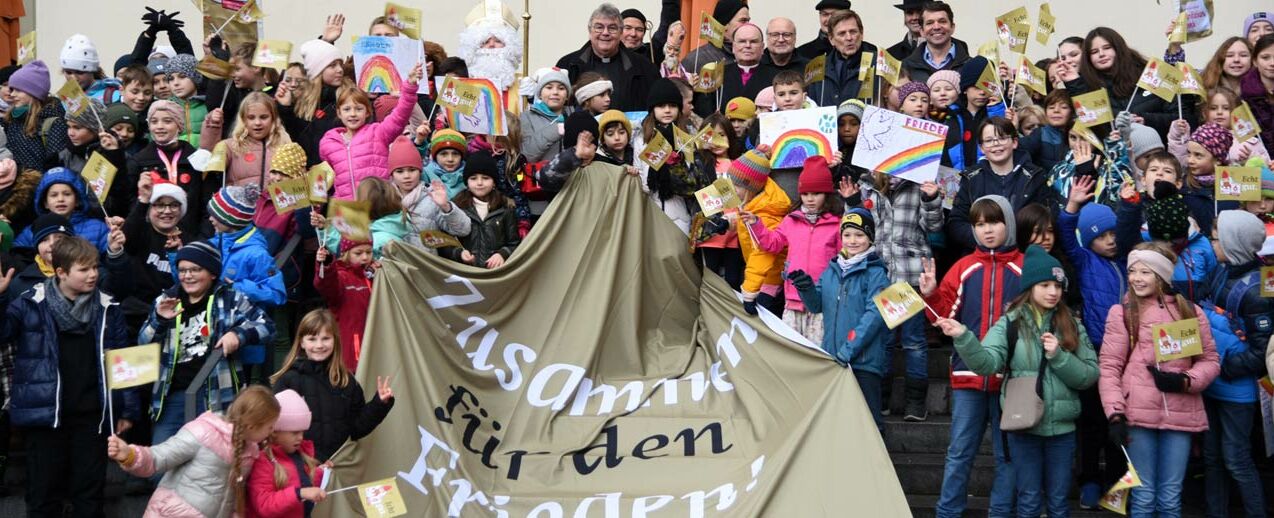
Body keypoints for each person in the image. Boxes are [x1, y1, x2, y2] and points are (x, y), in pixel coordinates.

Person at [936, 245, 1098, 518]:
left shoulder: (1072, 323)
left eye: (1058, 286)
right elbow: (987, 364)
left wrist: (1059, 356)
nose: (1053, 292)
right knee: (1028, 501)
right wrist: (964, 336)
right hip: (1024, 428)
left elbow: (1089, 375)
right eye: (1045, 284)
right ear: (1030, 286)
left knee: (1059, 503)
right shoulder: (1009, 323)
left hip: (1062, 430)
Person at [1, 236, 140, 517]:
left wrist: (127, 409)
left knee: (89, 494)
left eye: (95, 268)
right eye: (84, 269)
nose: (93, 275)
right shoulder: (30, 303)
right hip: (45, 416)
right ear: (61, 272)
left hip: (92, 416)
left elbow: (123, 356)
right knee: (43, 495)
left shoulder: (108, 307)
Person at [1100, 242, 1220, 517]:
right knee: (1143, 497)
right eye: (1133, 271)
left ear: (1162, 275)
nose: (1136, 278)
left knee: (1169, 497)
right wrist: (1115, 414)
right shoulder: (1123, 313)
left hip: (1180, 415)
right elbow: (1109, 367)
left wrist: (1185, 381)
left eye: (1146, 271)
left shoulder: (1190, 312)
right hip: (1137, 415)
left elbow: (1210, 361)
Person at [921, 195, 1023, 518]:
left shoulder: (1026, 266)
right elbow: (943, 317)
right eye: (979, 224)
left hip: (1013, 380)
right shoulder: (964, 267)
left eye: (994, 222)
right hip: (967, 376)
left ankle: (1001, 512)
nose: (987, 230)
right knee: (960, 452)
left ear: (1008, 222)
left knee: (1007, 455)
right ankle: (947, 512)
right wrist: (931, 294)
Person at [138, 241, 276, 444]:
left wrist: (238, 335)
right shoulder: (167, 299)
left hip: (218, 395)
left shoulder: (230, 298)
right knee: (161, 465)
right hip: (172, 394)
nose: (188, 276)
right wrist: (159, 319)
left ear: (212, 273)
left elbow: (267, 326)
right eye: (183, 270)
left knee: (212, 461)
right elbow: (143, 342)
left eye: (196, 269)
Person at [1058, 175, 1130, 507]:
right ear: (1090, 241)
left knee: (1119, 423)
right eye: (1102, 236)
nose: (1111, 241)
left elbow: (1132, 225)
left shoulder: (1127, 263)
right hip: (1095, 351)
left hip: (1124, 354)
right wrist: (1072, 206)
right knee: (1091, 423)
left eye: (1114, 233)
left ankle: (1117, 485)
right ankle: (1088, 480)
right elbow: (1066, 236)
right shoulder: (1086, 261)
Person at [109, 385, 281, 518]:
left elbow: (232, 497)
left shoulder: (249, 452)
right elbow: (159, 457)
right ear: (252, 425)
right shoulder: (202, 432)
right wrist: (130, 455)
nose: (272, 431)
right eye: (270, 426)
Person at [791, 209, 890, 431]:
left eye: (859, 235)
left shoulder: (877, 273)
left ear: (870, 238)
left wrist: (848, 350)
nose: (852, 241)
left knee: (869, 425)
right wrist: (804, 286)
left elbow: (874, 317)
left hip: (863, 363)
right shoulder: (832, 269)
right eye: (847, 235)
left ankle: (876, 466)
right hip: (835, 360)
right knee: (837, 424)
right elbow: (815, 305)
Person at [1203, 210, 1269, 518]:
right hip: (1213, 379)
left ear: (1233, 244)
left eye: (1216, 238)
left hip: (1235, 386)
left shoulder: (1258, 290)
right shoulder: (1221, 270)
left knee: (1236, 459)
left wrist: (1224, 367)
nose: (1211, 243)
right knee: (1213, 457)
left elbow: (1262, 352)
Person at [271, 309, 395, 462]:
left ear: (335, 340)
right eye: (312, 339)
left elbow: (357, 429)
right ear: (302, 342)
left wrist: (379, 403)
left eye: (325, 338)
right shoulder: (288, 381)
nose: (319, 345)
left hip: (339, 467)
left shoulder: (346, 380)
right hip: (302, 467)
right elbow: (276, 432)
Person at [748, 156, 843, 343]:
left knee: (818, 349)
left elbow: (843, 258)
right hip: (792, 297)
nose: (810, 199)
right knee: (793, 347)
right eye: (805, 193)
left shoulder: (836, 224)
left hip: (824, 300)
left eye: (816, 193)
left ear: (827, 193)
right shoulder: (791, 220)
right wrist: (756, 224)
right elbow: (772, 243)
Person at [317, 63, 421, 201]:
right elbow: (324, 181)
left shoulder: (378, 133)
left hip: (378, 209)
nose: (353, 114)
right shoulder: (328, 143)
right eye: (347, 109)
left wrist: (410, 87)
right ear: (339, 113)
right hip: (347, 214)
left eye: (358, 109)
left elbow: (400, 115)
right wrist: (318, 210)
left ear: (367, 112)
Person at [946, 118, 1051, 254]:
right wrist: (987, 239)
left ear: (1014, 142)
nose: (996, 144)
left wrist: (1015, 239)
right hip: (982, 258)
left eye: (1001, 138)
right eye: (989, 140)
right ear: (981, 148)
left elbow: (1047, 219)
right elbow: (956, 224)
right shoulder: (972, 179)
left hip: (1025, 255)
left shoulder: (1035, 176)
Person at [1066, 27, 1182, 138]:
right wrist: (1074, 82)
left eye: (1107, 47)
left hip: (1158, 152)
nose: (1101, 54)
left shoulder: (1150, 74)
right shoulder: (1088, 87)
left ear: (1118, 48)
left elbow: (1181, 117)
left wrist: (1146, 120)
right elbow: (1094, 128)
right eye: (1094, 51)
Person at [128, 99, 219, 237]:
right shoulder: (139, 162)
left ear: (179, 125)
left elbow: (208, 205)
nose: (159, 126)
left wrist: (202, 239)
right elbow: (130, 204)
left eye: (167, 121)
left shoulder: (197, 161)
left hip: (191, 237)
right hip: (151, 240)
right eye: (154, 121)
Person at [556, 3, 661, 112]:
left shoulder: (645, 68)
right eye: (599, 27)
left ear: (620, 32)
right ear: (590, 31)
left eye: (612, 28)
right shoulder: (568, 65)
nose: (605, 33)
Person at [246, 390, 327, 517]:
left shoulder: (301, 455)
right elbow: (264, 504)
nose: (300, 437)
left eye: (302, 432)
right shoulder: (263, 461)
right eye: (294, 433)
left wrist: (322, 474)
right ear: (274, 431)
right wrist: (299, 493)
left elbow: (304, 483)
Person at [207, 184, 288, 308]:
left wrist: (238, 287)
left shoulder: (257, 255)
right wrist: (177, 254)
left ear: (231, 220)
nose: (210, 219)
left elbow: (277, 295)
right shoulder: (215, 243)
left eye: (216, 216)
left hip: (241, 322)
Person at [440, 151, 522, 269]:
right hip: (465, 271)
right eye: (473, 178)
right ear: (467, 182)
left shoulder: (505, 207)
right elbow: (445, 242)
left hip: (494, 272)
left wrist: (502, 254)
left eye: (485, 178)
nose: (479, 183)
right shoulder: (457, 206)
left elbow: (514, 243)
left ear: (494, 182)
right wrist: (459, 253)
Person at [389, 136, 471, 252]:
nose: (406, 176)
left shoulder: (432, 197)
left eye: (412, 170)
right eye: (400, 171)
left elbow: (464, 230)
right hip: (395, 265)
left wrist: (446, 206)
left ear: (420, 171)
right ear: (392, 174)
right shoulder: (383, 199)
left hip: (426, 265)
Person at [277, 39, 348, 165]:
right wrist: (285, 108)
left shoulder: (348, 97)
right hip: (312, 174)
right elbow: (296, 137)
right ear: (318, 70)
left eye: (340, 64)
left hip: (342, 169)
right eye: (332, 65)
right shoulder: (303, 101)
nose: (340, 70)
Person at [204, 92, 294, 188]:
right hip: (238, 202)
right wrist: (213, 126)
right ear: (243, 120)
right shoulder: (229, 146)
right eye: (251, 117)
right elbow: (206, 161)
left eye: (264, 117)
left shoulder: (286, 147)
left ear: (273, 118)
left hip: (274, 202)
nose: (257, 122)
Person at [12, 168, 111, 253]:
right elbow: (18, 259)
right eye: (54, 195)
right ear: (45, 203)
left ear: (77, 200)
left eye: (67, 194)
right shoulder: (31, 232)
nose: (60, 199)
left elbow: (113, 265)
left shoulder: (98, 228)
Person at [692, 24, 775, 117]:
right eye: (742, 41)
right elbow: (704, 109)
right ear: (733, 47)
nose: (748, 45)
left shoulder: (775, 76)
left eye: (753, 41)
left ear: (762, 47)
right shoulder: (716, 74)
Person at [2, 61, 70, 172]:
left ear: (34, 93)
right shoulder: (12, 119)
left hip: (38, 185)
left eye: (18, 90)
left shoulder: (53, 123)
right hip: (15, 186)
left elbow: (55, 168)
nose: (12, 94)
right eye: (12, 89)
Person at [808, 10, 879, 107]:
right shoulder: (817, 68)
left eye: (853, 32)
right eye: (842, 33)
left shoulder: (879, 62)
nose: (849, 38)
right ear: (831, 39)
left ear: (861, 34)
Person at [457, 0, 525, 97]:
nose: (492, 45)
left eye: (498, 41)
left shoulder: (522, 84)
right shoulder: (460, 83)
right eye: (485, 42)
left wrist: (532, 98)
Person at [900, 1, 970, 84]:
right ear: (922, 31)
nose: (936, 27)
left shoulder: (970, 65)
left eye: (942, 21)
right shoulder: (905, 67)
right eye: (930, 23)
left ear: (952, 27)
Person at [679, 0, 749, 72]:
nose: (748, 25)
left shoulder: (754, 55)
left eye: (748, 21)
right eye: (743, 21)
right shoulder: (696, 60)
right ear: (724, 25)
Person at [520, 68, 573, 163]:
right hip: (538, 175)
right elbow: (526, 154)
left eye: (561, 88)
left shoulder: (575, 116)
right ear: (540, 94)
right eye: (549, 87)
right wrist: (557, 128)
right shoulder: (527, 117)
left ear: (567, 96)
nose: (555, 92)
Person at [60, 33, 122, 105]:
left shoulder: (114, 96)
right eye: (68, 72)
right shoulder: (66, 100)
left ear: (92, 70)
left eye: (80, 72)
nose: (73, 78)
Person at [1239, 35, 1274, 155]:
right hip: (1259, 163)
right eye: (1265, 57)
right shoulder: (1245, 96)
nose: (1272, 63)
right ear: (1255, 61)